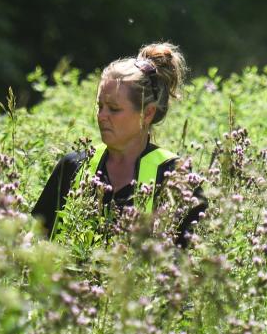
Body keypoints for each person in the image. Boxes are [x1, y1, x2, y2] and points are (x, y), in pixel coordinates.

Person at [32, 42, 207, 248]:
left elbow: (190, 259)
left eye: (114, 109)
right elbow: (36, 238)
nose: (102, 116)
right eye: (100, 106)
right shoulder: (73, 165)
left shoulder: (175, 176)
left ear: (147, 113)